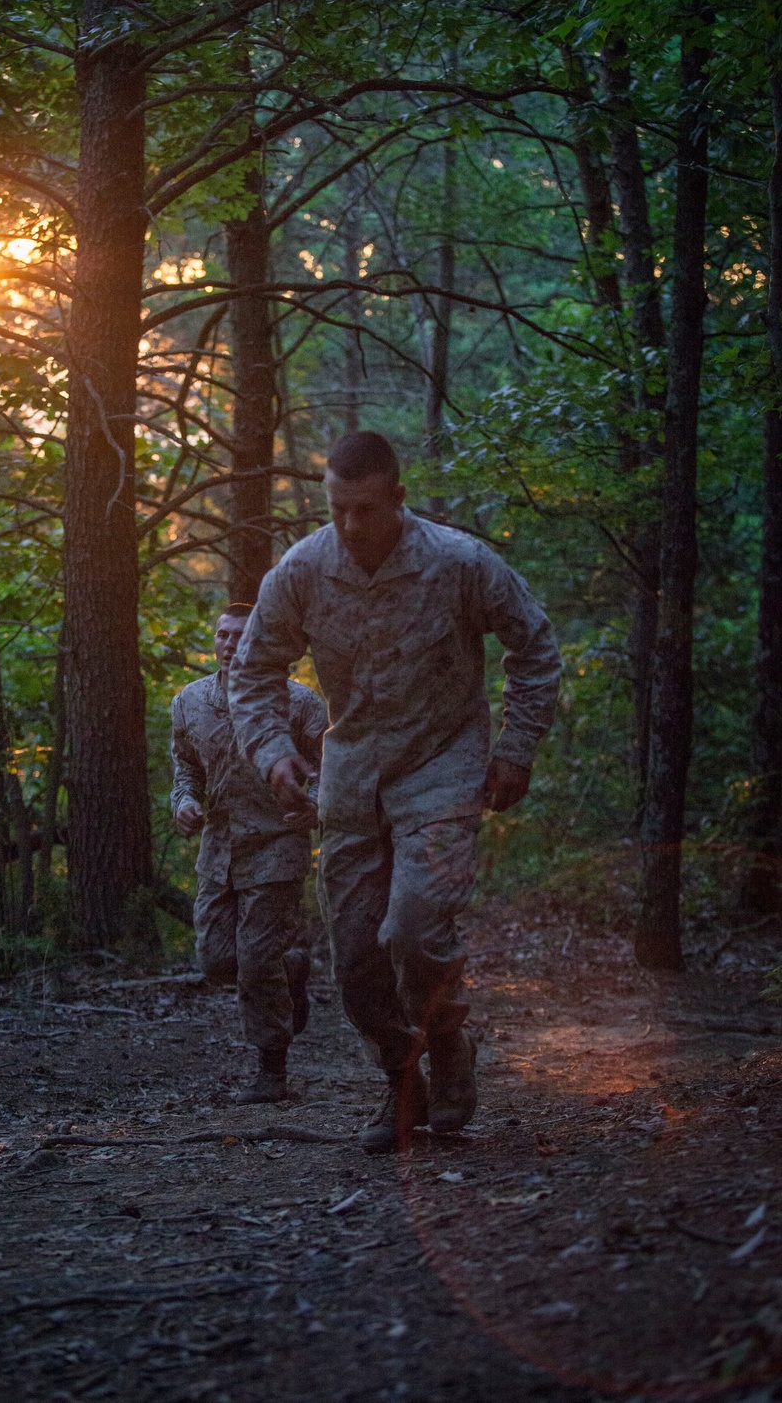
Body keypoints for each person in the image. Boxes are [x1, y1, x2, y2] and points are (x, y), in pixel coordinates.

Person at [228, 432, 562, 1152]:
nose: (351, 524)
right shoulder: (303, 571)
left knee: (411, 927)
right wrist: (273, 752)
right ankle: (399, 1075)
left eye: (366, 508)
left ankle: (445, 1049)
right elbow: (251, 672)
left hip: (442, 765)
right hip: (349, 777)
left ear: (399, 498)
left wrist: (516, 748)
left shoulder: (459, 561)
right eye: (337, 508)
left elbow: (533, 646)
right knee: (353, 960)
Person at [170, 603, 328, 1104]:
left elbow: (332, 767)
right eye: (221, 634)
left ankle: (271, 1071)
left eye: (240, 635)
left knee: (257, 961)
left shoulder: (301, 704)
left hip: (277, 843)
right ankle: (294, 967)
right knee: (218, 961)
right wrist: (185, 802)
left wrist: (316, 806)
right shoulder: (190, 702)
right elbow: (185, 768)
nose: (229, 643)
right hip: (219, 848)